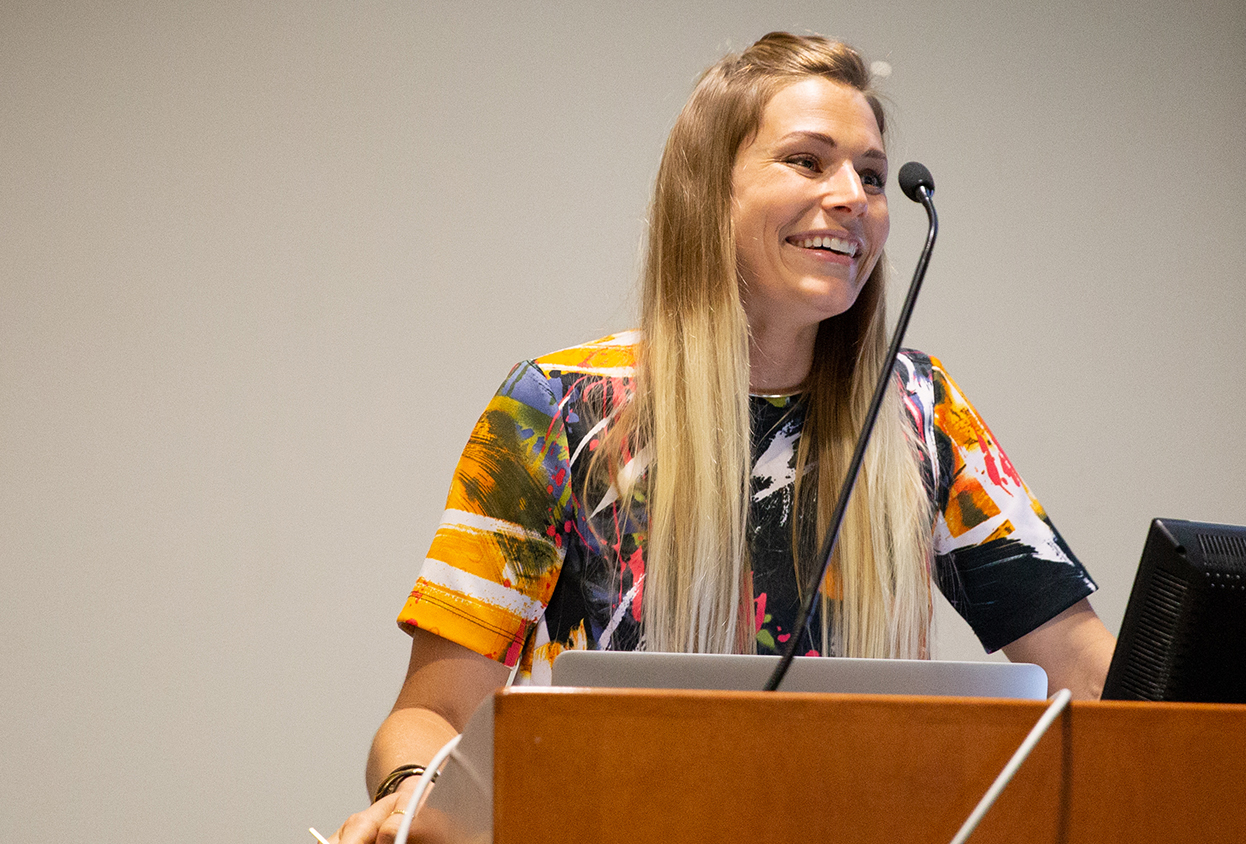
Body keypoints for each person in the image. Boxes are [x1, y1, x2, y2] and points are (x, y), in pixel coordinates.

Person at [330, 31, 1115, 844]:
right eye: (809, 162)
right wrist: (416, 795)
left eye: (873, 176)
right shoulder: (558, 407)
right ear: (709, 194)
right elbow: (428, 714)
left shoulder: (919, 407)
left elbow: (1087, 674)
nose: (853, 195)